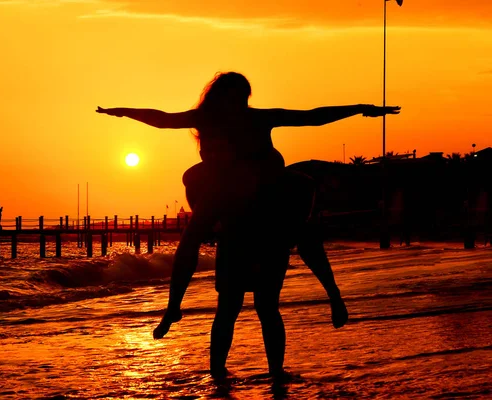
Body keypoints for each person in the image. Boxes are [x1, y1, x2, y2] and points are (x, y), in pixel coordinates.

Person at [97, 71, 400, 378]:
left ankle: (327, 304)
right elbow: (161, 118)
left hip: (268, 204)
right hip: (231, 209)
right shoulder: (205, 118)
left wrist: (361, 108)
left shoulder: (256, 119)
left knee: (270, 296)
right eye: (235, 97)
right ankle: (180, 316)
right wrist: (123, 112)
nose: (239, 104)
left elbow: (313, 117)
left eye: (243, 98)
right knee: (225, 299)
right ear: (220, 97)